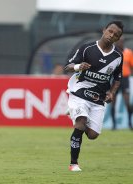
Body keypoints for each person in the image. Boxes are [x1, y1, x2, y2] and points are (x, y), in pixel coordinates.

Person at [64, 20, 123, 172]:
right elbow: (68, 67)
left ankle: (75, 113)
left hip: (98, 98)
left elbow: (117, 78)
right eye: (110, 31)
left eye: (116, 35)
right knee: (81, 123)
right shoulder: (87, 48)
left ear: (118, 38)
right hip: (79, 92)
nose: (112, 35)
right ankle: (73, 164)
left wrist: (112, 92)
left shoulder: (118, 56)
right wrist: (78, 66)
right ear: (104, 30)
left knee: (92, 135)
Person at [111, 36, 133, 130]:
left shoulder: (128, 53)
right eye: (118, 41)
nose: (120, 43)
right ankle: (114, 125)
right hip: (115, 79)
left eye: (121, 41)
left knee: (127, 102)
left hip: (125, 79)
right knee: (113, 102)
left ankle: (129, 123)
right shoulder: (112, 53)